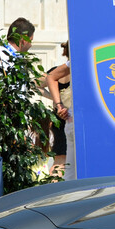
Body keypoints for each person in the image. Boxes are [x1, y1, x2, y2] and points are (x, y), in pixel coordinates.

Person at [45, 41, 71, 176]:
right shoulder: (73, 69)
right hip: (67, 116)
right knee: (63, 161)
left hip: (59, 117)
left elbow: (35, 84)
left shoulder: (56, 70)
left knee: (59, 159)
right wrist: (58, 101)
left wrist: (55, 100)